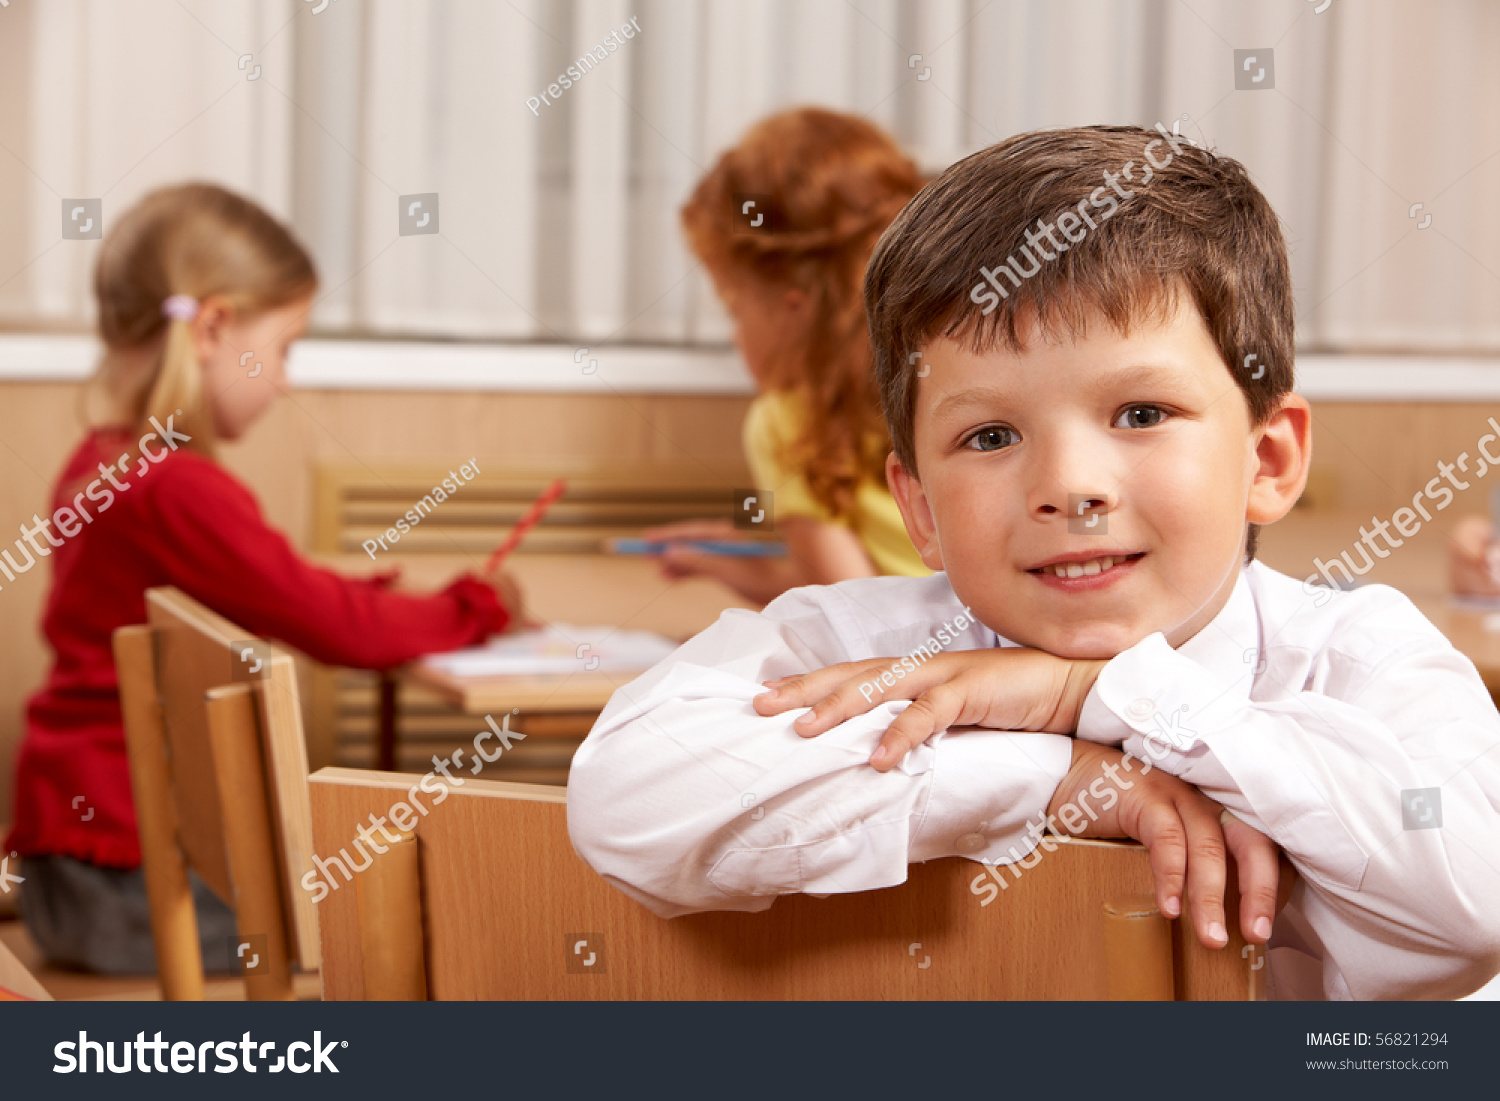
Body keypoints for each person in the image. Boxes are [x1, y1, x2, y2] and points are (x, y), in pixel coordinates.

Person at [567, 127, 1500, 1000]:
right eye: (991, 433)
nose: (1068, 487)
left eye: (1141, 413)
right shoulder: (861, 644)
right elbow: (627, 800)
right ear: (920, 508)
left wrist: (1089, 695)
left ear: (1269, 459)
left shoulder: (1361, 658)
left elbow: (1476, 906)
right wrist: (1051, 774)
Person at [4, 183, 525, 973]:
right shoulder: (178, 486)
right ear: (213, 327)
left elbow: (280, 590)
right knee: (436, 917)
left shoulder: (102, 463)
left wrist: (354, 596)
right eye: (284, 346)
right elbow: (338, 631)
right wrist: (474, 606)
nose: (285, 378)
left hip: (74, 864)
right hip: (131, 885)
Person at [642, 108, 928, 604]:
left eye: (734, 306)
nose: (734, 335)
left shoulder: (788, 423)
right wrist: (755, 565)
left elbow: (857, 615)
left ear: (792, 306)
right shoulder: (962, 369)